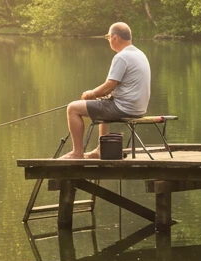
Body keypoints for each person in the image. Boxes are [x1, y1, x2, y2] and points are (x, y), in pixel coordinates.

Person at [61, 22, 151, 159]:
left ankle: (77, 152)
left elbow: (109, 85)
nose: (108, 40)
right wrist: (100, 95)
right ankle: (100, 150)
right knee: (103, 102)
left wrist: (91, 93)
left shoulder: (122, 57)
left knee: (72, 108)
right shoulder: (139, 54)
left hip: (124, 108)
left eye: (108, 37)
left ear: (115, 37)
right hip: (139, 108)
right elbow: (118, 87)